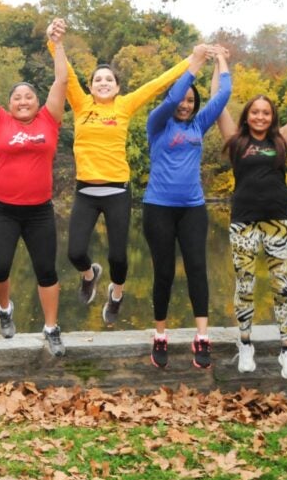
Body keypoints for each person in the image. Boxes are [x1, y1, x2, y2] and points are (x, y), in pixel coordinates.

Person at [49, 31, 193, 324]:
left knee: (118, 257)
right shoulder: (81, 105)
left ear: (117, 87)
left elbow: (158, 84)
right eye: (97, 80)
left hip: (117, 192)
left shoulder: (124, 105)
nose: (103, 83)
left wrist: (193, 60)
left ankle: (116, 295)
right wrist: (56, 43)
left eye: (109, 80)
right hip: (86, 192)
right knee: (75, 253)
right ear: (90, 86)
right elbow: (66, 75)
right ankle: (89, 275)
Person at [0, 21, 67, 356]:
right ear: (9, 104)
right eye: (17, 97)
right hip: (3, 209)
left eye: (29, 96)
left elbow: (61, 81)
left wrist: (58, 44)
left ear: (38, 101)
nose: (23, 101)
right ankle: (4, 308)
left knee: (46, 270)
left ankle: (51, 328)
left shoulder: (49, 119)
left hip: (40, 211)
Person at [216, 63, 287, 380]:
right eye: (255, 112)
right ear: (246, 116)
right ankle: (245, 343)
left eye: (266, 112)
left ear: (272, 117)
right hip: (243, 222)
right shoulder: (236, 141)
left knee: (281, 285)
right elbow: (217, 103)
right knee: (245, 285)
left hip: (278, 222)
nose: (260, 117)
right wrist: (220, 63)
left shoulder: (281, 140)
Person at [142, 44, 229, 369]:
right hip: (158, 208)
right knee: (163, 272)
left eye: (191, 101)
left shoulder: (198, 125)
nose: (185, 104)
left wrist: (221, 61)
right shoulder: (157, 123)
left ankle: (202, 336)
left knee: (197, 268)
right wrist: (195, 64)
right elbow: (172, 98)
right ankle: (160, 335)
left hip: (193, 208)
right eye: (182, 99)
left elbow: (223, 96)